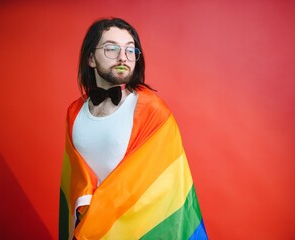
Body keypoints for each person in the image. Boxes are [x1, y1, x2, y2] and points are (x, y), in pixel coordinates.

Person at [59, 17, 208, 240]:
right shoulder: (74, 113)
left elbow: (168, 191)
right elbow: (75, 183)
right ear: (90, 58)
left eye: (131, 50)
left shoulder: (153, 111)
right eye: (111, 48)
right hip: (89, 231)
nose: (123, 57)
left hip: (137, 232)